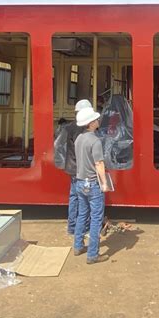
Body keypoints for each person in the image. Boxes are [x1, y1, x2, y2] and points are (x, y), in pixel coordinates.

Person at [73, 107, 109, 265]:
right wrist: (105, 184)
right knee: (96, 219)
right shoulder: (95, 140)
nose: (98, 120)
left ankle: (78, 246)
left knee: (82, 215)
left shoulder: (79, 139)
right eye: (95, 119)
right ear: (90, 123)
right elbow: (99, 163)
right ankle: (93, 254)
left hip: (80, 182)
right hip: (93, 183)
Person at [54, 99, 93, 235]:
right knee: (85, 199)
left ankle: (72, 227)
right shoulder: (88, 128)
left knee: (74, 196)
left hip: (71, 167)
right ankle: (84, 228)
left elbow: (57, 145)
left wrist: (62, 161)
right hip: (84, 168)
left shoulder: (68, 127)